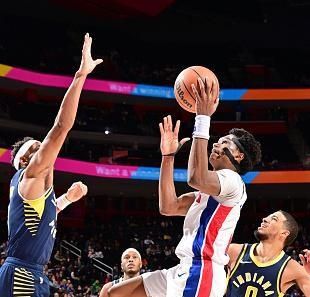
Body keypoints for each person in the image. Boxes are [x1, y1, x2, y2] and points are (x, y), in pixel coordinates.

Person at [109, 77, 261, 297]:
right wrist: (168, 157)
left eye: (225, 142)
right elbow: (168, 206)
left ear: (238, 155)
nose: (217, 143)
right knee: (116, 292)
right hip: (183, 268)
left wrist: (202, 118)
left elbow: (196, 177)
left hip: (203, 270)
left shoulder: (233, 182)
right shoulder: (209, 191)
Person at [0, 33, 102, 296]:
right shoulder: (30, 173)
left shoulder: (31, 189)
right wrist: (81, 76)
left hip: (31, 272)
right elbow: (60, 128)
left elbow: (44, 215)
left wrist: (67, 198)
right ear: (23, 161)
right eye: (36, 148)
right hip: (21, 274)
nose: (44, 150)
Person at [226, 211, 310, 297]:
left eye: (274, 219)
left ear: (284, 233)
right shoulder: (234, 251)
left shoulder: (292, 268)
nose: (264, 219)